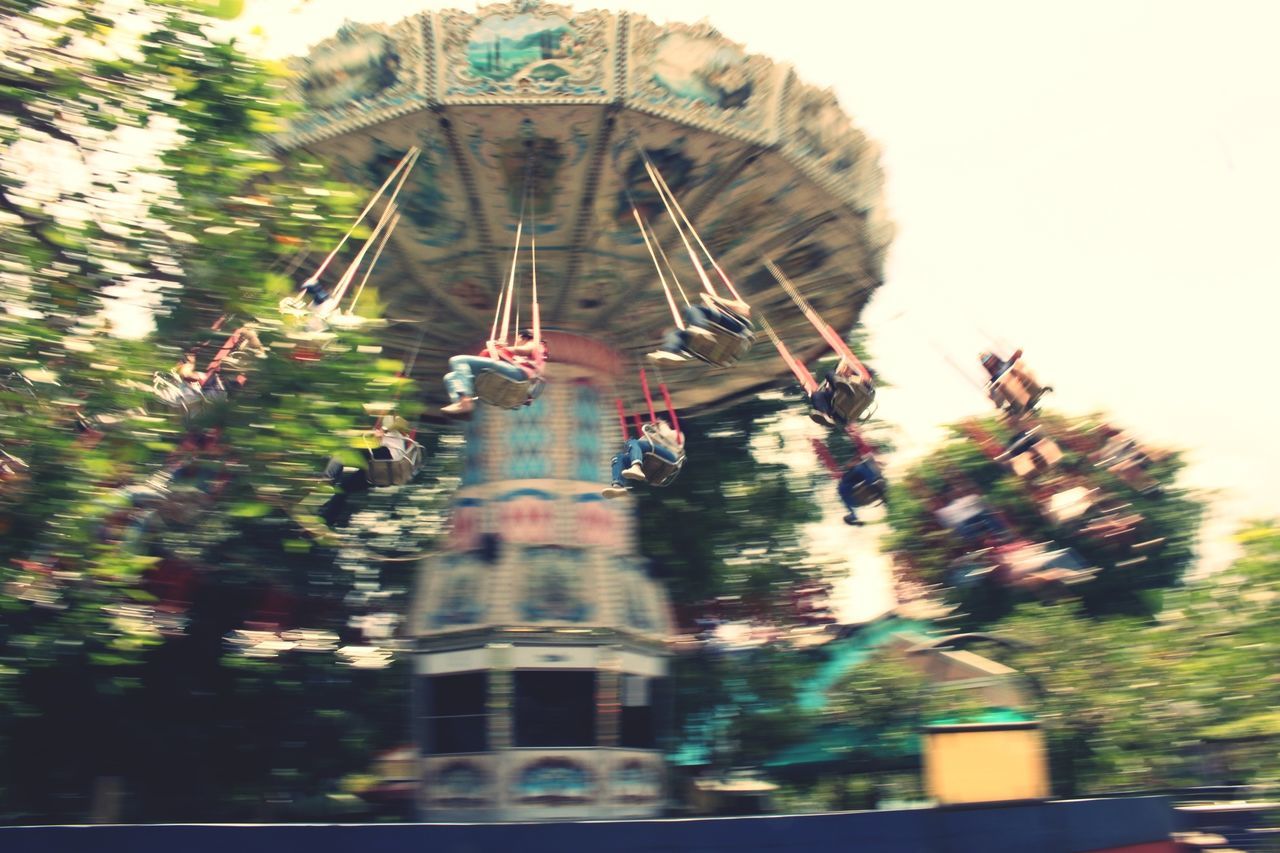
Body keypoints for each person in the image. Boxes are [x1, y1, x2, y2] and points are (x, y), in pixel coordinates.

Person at [441, 328, 547, 418]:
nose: (517, 341)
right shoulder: (525, 357)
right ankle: (462, 404)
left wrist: (503, 348)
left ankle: (465, 402)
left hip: (518, 374)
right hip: (510, 374)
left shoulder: (535, 344)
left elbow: (523, 350)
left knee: (458, 360)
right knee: (450, 377)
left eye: (518, 339)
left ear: (523, 337)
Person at [648, 293, 752, 363]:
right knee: (674, 333)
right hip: (716, 332)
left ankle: (700, 329)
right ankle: (670, 352)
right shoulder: (705, 314)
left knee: (692, 308)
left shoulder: (736, 305)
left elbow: (745, 310)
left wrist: (713, 299)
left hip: (735, 329)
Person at [602, 419, 685, 498]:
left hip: (669, 455)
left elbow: (668, 436)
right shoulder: (653, 433)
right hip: (652, 453)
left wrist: (662, 424)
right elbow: (640, 445)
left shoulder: (676, 433)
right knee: (619, 457)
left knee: (632, 442)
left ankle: (636, 467)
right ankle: (618, 487)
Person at [809, 359, 875, 427]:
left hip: (842, 405)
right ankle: (825, 416)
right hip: (837, 409)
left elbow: (863, 383)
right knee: (816, 395)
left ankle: (839, 382)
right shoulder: (869, 394)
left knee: (830, 374)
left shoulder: (866, 389)